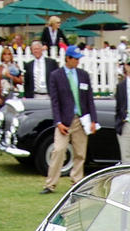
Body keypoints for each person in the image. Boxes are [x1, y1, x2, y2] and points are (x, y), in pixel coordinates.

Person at [41, 47, 97, 194]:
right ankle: (50, 184)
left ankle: (77, 182)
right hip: (64, 121)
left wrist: (93, 120)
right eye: (75, 58)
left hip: (81, 119)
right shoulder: (56, 75)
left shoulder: (83, 75)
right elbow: (55, 101)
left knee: (80, 153)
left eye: (79, 58)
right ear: (68, 58)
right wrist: (58, 122)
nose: (78, 61)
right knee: (58, 150)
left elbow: (89, 99)